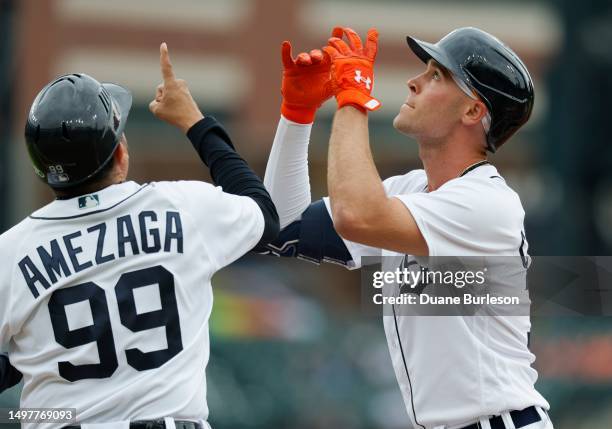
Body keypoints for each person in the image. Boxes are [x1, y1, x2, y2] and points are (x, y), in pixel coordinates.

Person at [260, 26, 554, 429]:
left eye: (437, 75)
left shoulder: (487, 203)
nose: (414, 82)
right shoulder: (412, 190)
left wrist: (352, 97)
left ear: (473, 112)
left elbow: (355, 213)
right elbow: (283, 228)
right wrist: (297, 113)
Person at [0, 42, 278, 428]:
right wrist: (195, 122)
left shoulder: (10, 252)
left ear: (39, 168)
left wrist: (29, 355)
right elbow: (264, 211)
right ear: (120, 154)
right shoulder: (183, 206)